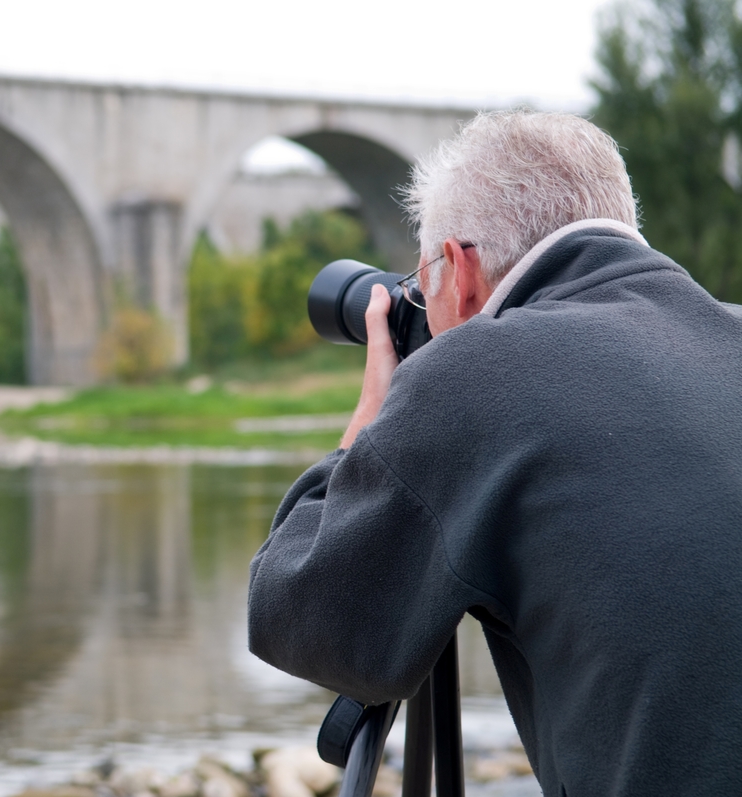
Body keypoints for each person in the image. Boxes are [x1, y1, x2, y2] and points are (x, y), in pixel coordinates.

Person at [247, 110, 742, 796]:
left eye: (425, 282)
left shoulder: (479, 372)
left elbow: (298, 611)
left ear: (462, 268)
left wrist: (369, 424)